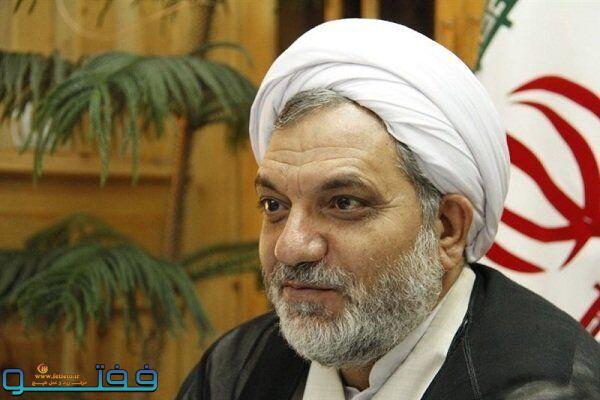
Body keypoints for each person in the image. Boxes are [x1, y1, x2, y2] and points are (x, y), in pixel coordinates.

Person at [176, 19, 600, 400]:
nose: (290, 248)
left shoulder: (551, 388)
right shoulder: (234, 371)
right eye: (275, 205)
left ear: (446, 228)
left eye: (343, 204)